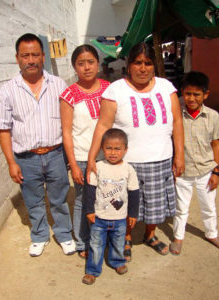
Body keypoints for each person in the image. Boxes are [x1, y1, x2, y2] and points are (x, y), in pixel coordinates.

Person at [87, 42, 184, 261]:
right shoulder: (116, 90)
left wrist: (179, 155)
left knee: (155, 203)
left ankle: (150, 235)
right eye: (137, 63)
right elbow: (102, 126)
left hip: (161, 158)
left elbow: (177, 122)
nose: (143, 68)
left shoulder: (166, 87)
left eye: (148, 63)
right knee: (126, 203)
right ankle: (127, 238)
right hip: (127, 163)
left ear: (154, 66)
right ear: (129, 65)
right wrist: (92, 158)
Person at [0, 33, 75, 257]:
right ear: (17, 58)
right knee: (33, 200)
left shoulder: (58, 85)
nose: (31, 59)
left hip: (56, 155)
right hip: (26, 158)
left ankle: (63, 233)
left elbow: (69, 122)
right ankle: (39, 235)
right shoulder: (8, 91)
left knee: (59, 198)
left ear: (43, 56)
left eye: (35, 54)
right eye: (25, 55)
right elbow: (4, 129)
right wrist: (11, 162)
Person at [60, 45, 110, 258]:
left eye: (90, 62)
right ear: (74, 67)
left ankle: (106, 237)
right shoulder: (69, 94)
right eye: (81, 63)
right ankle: (82, 242)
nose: (86, 67)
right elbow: (67, 132)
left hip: (107, 156)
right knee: (82, 200)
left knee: (107, 198)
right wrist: (72, 164)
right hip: (81, 157)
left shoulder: (109, 89)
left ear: (98, 64)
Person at [170, 71, 219, 255]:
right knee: (181, 207)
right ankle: (178, 237)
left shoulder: (213, 116)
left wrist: (216, 171)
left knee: (208, 206)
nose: (191, 98)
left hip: (205, 171)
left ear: (205, 95)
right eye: (187, 93)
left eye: (196, 94)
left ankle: (212, 233)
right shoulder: (176, 115)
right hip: (182, 172)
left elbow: (216, 144)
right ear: (182, 93)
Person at [82, 128, 139, 285]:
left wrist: (133, 214)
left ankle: (117, 262)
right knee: (95, 244)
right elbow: (90, 190)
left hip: (120, 218)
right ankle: (92, 270)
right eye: (109, 148)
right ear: (102, 148)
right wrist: (89, 210)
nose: (113, 153)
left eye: (117, 148)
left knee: (118, 242)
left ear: (125, 150)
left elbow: (134, 193)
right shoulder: (98, 167)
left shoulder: (128, 169)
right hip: (99, 217)